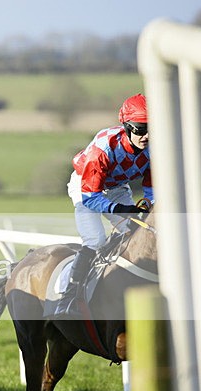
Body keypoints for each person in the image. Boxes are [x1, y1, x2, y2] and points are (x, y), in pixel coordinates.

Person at [53, 93, 153, 318]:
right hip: (86, 188)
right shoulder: (103, 149)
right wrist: (120, 210)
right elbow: (91, 197)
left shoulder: (153, 149)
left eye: (151, 129)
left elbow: (152, 189)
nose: (146, 136)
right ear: (126, 126)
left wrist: (146, 204)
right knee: (96, 239)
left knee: (135, 232)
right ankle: (69, 296)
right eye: (139, 128)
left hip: (117, 187)